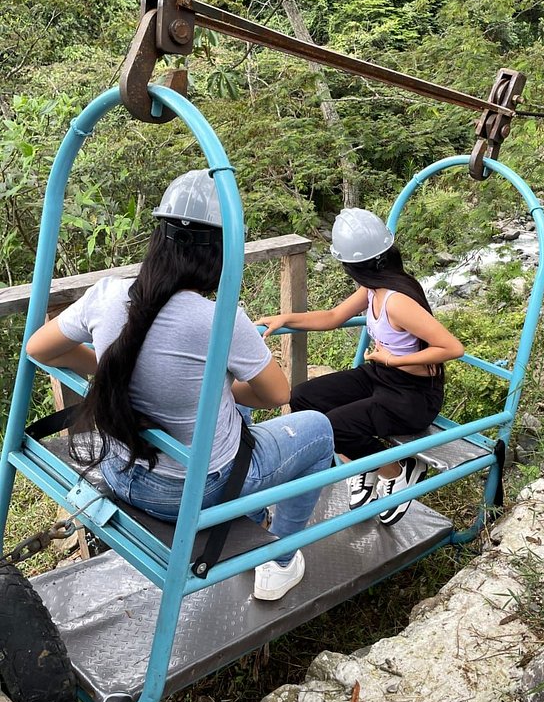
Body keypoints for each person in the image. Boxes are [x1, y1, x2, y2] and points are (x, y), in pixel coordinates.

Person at [26, 169, 334, 602]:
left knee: (224, 406)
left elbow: (39, 348)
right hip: (189, 492)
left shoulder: (108, 294)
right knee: (318, 430)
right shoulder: (220, 318)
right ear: (221, 253)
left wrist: (113, 364)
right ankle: (278, 559)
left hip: (120, 467)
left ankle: (252, 509)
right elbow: (277, 395)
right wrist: (226, 384)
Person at [259, 207, 464, 526]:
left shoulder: (397, 300)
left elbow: (452, 348)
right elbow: (332, 317)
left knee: (335, 425)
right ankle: (364, 464)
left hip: (413, 395)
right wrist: (287, 318)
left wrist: (393, 359)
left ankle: (398, 471)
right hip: (381, 375)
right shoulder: (373, 289)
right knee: (303, 397)